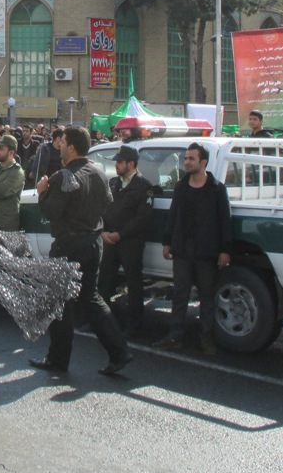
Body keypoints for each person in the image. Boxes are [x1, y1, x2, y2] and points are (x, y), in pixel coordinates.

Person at [30, 126, 131, 375]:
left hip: (68, 244)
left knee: (59, 301)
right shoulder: (98, 172)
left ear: (72, 147)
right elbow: (107, 203)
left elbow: (50, 211)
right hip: (92, 243)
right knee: (90, 298)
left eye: (62, 142)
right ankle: (120, 352)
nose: (59, 146)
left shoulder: (64, 176)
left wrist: (41, 192)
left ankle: (58, 359)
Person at [153, 142, 232, 355]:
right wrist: (167, 242)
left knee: (207, 296)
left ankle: (206, 337)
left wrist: (225, 250)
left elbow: (225, 220)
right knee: (180, 294)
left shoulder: (216, 189)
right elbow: (173, 216)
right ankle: (175, 335)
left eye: (191, 158)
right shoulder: (181, 186)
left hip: (206, 252)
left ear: (203, 162)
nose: (186, 162)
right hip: (182, 250)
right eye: (186, 158)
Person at [97, 144, 154, 336]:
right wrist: (104, 232)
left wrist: (120, 234)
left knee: (133, 283)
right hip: (109, 239)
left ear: (131, 163)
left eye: (120, 162)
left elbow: (143, 218)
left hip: (130, 242)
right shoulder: (113, 183)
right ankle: (103, 321)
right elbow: (103, 208)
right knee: (104, 280)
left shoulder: (143, 186)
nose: (117, 165)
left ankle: (133, 324)